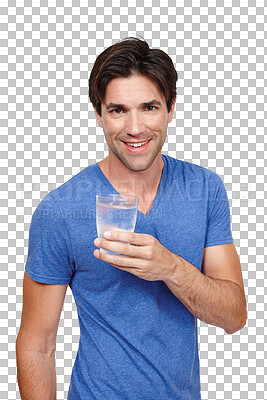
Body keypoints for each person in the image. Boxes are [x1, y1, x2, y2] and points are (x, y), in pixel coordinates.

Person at [16, 37, 247, 400]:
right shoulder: (60, 210)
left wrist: (170, 267)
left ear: (171, 108)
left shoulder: (204, 189)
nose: (135, 128)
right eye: (118, 110)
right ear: (99, 115)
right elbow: (37, 344)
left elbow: (234, 317)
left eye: (149, 107)